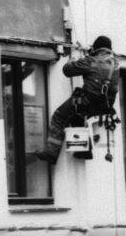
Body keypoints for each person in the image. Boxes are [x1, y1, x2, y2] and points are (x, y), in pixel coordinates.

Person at [35, 36, 120, 164]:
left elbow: (67, 70)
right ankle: (85, 151)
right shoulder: (116, 64)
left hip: (87, 102)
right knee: (77, 115)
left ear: (96, 48)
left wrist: (74, 59)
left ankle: (51, 153)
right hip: (104, 107)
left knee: (59, 116)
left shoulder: (91, 61)